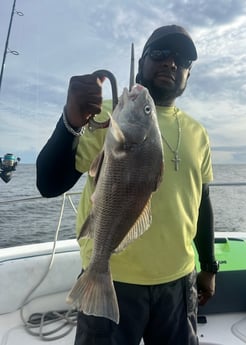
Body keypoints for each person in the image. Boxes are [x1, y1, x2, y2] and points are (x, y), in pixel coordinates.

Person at [36, 24, 218, 345]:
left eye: (183, 60)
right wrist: (70, 121)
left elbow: (201, 203)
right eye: (160, 53)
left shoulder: (197, 132)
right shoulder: (105, 117)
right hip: (112, 278)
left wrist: (209, 266)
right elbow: (50, 184)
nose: (171, 63)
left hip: (177, 281)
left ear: (188, 75)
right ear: (141, 63)